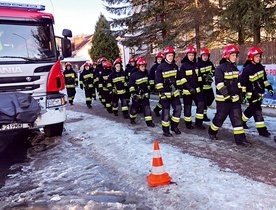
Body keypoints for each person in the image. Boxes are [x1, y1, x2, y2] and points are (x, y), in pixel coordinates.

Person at [208, 45, 251, 146]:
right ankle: (212, 131)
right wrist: (226, 95)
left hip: (235, 99)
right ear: (227, 56)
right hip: (223, 100)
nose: (235, 57)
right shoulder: (220, 69)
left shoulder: (235, 68)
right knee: (220, 118)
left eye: (235, 55)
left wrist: (241, 93)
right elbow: (219, 83)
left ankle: (240, 139)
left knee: (237, 118)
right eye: (233, 55)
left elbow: (238, 83)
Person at [240, 46, 274, 137]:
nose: (259, 58)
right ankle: (262, 131)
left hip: (260, 94)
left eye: (259, 56)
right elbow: (243, 83)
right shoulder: (247, 69)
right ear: (251, 57)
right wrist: (243, 95)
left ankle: (241, 122)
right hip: (252, 95)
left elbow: (265, 80)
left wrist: (269, 88)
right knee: (258, 112)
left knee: (251, 110)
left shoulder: (261, 67)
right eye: (257, 56)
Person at [155, 46, 182, 136]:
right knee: (166, 112)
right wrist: (161, 92)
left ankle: (174, 126)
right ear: (165, 56)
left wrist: (180, 87)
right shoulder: (160, 67)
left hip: (174, 93)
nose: (171, 57)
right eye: (169, 55)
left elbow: (178, 79)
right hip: (165, 94)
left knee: (178, 108)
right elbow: (158, 82)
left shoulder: (175, 66)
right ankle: (165, 130)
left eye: (172, 55)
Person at [179, 46, 205, 129]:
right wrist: (189, 88)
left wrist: (201, 86)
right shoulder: (183, 66)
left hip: (197, 91)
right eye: (190, 55)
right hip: (187, 91)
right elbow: (182, 79)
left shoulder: (197, 65)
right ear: (187, 55)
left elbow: (199, 77)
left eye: (193, 55)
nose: (191, 56)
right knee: (188, 107)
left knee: (201, 105)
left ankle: (199, 123)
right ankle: (188, 123)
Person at [129, 58, 155, 127]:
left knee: (147, 108)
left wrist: (150, 88)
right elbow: (131, 85)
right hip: (136, 96)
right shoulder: (134, 75)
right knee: (135, 108)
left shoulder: (146, 73)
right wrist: (134, 92)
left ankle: (149, 122)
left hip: (145, 95)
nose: (143, 68)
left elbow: (149, 82)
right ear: (138, 66)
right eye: (142, 66)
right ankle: (132, 118)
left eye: (144, 66)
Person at [197, 48, 215, 121]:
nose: (205, 57)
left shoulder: (210, 63)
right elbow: (196, 75)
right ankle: (204, 115)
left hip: (209, 86)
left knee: (211, 99)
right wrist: (203, 78)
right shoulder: (198, 64)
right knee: (203, 102)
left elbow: (214, 71)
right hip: (202, 87)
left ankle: (204, 113)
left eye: (206, 55)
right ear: (201, 56)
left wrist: (210, 76)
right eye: (204, 55)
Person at [149, 52, 164, 117]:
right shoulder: (154, 67)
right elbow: (151, 77)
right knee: (163, 99)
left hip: (165, 85)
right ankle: (159, 111)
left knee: (163, 100)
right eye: (158, 59)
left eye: (160, 59)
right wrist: (152, 86)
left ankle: (157, 109)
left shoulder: (165, 66)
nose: (159, 60)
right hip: (158, 86)